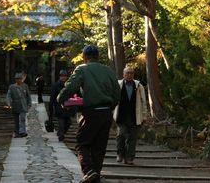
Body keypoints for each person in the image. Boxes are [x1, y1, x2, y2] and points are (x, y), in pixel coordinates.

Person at [57, 45, 121, 183]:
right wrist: (111, 106)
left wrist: (61, 99)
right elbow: (117, 93)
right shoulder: (108, 70)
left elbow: (71, 87)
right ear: (97, 57)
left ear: (84, 57)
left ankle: (88, 171)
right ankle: (95, 177)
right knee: (99, 147)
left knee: (82, 143)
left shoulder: (82, 69)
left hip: (91, 112)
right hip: (106, 113)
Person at [113, 66, 148, 165]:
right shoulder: (118, 84)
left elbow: (143, 101)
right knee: (121, 135)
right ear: (123, 74)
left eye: (131, 73)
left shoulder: (138, 86)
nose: (129, 75)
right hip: (121, 115)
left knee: (132, 138)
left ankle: (129, 157)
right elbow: (113, 98)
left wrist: (144, 115)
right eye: (127, 73)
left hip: (134, 116)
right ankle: (120, 154)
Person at [49, 70, 76, 141]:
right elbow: (52, 98)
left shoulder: (69, 85)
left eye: (65, 76)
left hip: (68, 107)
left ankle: (61, 133)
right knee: (61, 124)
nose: (63, 78)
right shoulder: (56, 86)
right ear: (59, 77)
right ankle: (61, 136)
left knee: (68, 123)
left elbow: (72, 96)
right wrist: (51, 109)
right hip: (59, 108)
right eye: (62, 76)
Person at [6, 72, 32, 138]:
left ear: (21, 79)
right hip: (15, 105)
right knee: (16, 120)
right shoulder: (12, 87)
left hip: (23, 105)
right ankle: (17, 133)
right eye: (17, 79)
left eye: (20, 79)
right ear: (15, 79)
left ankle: (22, 132)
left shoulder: (25, 86)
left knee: (22, 118)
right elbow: (8, 95)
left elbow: (28, 96)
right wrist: (8, 103)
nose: (18, 80)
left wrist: (29, 103)